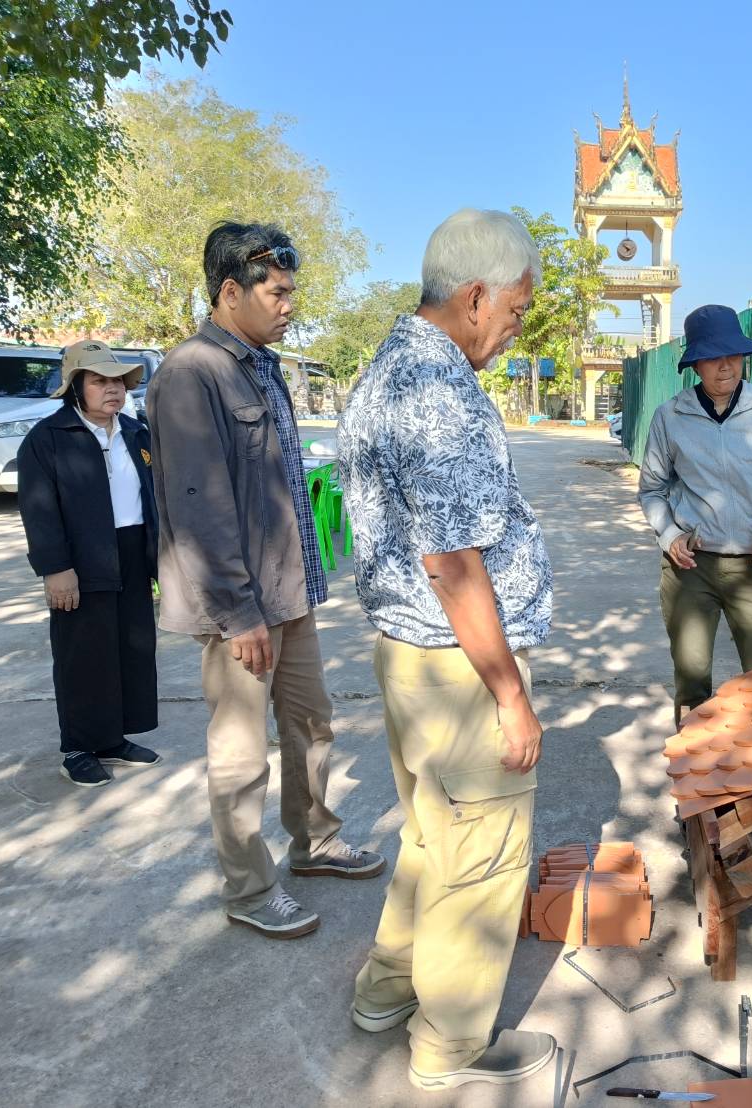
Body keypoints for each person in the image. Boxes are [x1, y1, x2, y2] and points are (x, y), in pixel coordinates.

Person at [336, 208, 557, 1094]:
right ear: (474, 297)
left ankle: (386, 991)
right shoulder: (438, 393)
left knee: (432, 838)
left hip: (407, 655)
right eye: (512, 312)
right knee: (481, 862)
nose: (513, 331)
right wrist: (509, 693)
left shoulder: (383, 370)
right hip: (460, 664)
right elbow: (455, 565)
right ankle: (451, 1046)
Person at [147, 221, 383, 941]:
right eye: (277, 293)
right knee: (242, 753)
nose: (289, 306)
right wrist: (238, 614)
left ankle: (314, 843)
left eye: (290, 293)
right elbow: (199, 509)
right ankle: (250, 886)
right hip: (240, 610)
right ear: (229, 292)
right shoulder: (192, 373)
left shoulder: (262, 366)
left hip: (289, 594)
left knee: (311, 724)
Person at [637, 303, 752, 720]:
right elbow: (652, 489)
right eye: (713, 357)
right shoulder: (671, 417)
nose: (726, 365)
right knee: (692, 680)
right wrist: (670, 536)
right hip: (691, 568)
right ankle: (696, 778)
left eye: (733, 355)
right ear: (696, 364)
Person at [17, 340, 161, 787]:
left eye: (117, 381)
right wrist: (55, 568)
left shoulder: (136, 433)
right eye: (100, 380)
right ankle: (79, 746)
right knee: (83, 654)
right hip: (80, 558)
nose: (113, 389)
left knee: (130, 648)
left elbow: (153, 500)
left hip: (133, 552)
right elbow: (38, 509)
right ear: (75, 387)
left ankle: (111, 739)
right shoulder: (48, 439)